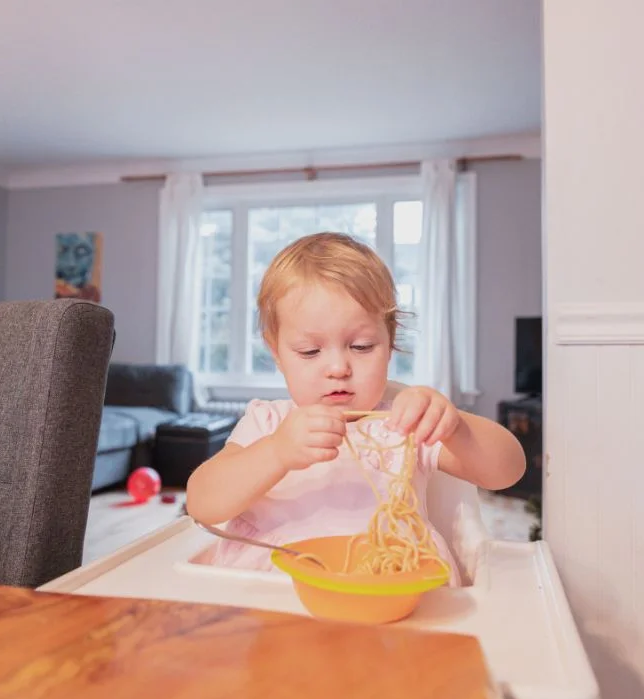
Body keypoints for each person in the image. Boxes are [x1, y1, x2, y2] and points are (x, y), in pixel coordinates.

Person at [187, 232, 525, 581]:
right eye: (309, 351)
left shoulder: (404, 422)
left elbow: (506, 471)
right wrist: (276, 452)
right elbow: (203, 503)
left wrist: (455, 427)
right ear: (276, 352)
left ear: (390, 344)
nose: (338, 368)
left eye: (362, 347)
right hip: (275, 590)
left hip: (394, 584)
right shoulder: (269, 422)